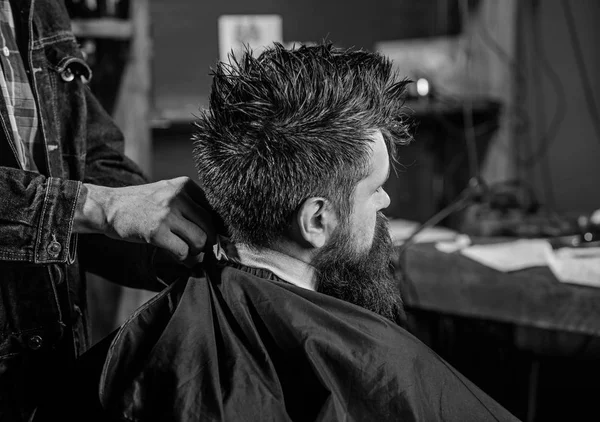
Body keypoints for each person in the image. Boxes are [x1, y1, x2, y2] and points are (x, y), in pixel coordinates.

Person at [56, 42, 521, 422]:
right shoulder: (376, 364)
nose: (386, 202)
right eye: (375, 188)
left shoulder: (143, 350)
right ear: (317, 220)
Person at [0, 1, 214, 420]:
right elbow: (93, 198)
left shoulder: (36, 8)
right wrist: (100, 206)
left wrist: (184, 243)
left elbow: (88, 159)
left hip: (46, 371)